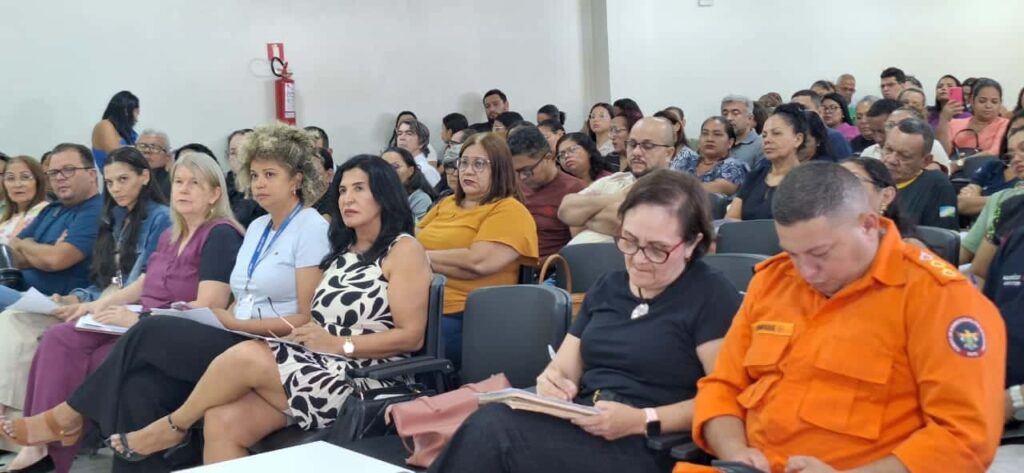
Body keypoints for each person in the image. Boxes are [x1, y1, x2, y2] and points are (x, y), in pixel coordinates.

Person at [2, 155, 422, 470]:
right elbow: (308, 315)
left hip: (364, 376)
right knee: (215, 417)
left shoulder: (403, 250)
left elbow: (411, 336)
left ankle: (164, 426)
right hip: (311, 360)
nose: (347, 198)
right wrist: (307, 336)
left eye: (359, 189)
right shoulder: (343, 250)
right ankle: (100, 424)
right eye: (343, 190)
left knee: (225, 348)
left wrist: (337, 344)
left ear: (385, 193)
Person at [676, 161, 1005, 473]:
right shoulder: (774, 281)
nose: (806, 271)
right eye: (792, 254)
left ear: (868, 225)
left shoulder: (941, 298)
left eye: (820, 253)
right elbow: (722, 386)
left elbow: (965, 437)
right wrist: (736, 453)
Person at [430, 170, 740, 473]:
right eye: (629, 240)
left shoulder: (710, 295)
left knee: (495, 431)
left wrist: (642, 419)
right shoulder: (609, 288)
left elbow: (723, 399)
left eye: (657, 249)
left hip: (650, 442)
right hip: (587, 422)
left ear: (692, 243)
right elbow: (563, 368)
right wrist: (552, 383)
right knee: (492, 421)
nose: (639, 258)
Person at [1, 148, 180, 473]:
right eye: (110, 182)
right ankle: (38, 446)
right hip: (108, 303)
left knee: (67, 341)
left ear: (144, 176)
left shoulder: (160, 218)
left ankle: (51, 447)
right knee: (57, 338)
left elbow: (146, 282)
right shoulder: (117, 218)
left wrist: (93, 303)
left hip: (137, 310)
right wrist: (78, 298)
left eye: (123, 179)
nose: (116, 188)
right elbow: (106, 279)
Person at [417, 132, 538, 368]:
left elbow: (477, 263)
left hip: (468, 315)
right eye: (463, 163)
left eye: (479, 164)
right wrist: (416, 258)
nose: (468, 171)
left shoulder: (509, 210)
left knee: (399, 336)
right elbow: (409, 243)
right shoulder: (446, 203)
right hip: (418, 302)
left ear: (500, 169)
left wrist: (419, 259)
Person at [0, 144, 103, 308]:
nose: (59, 178)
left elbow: (55, 260)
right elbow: (12, 253)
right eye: (53, 172)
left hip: (57, 302)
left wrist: (27, 245)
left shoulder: (96, 210)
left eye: (68, 170)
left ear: (91, 174)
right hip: (20, 291)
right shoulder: (52, 209)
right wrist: (45, 252)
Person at [559, 117, 677, 245]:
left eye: (647, 146)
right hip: (576, 255)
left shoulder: (675, 190)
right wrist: (617, 197)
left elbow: (623, 224)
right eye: (632, 144)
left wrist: (584, 217)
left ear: (669, 153)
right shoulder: (616, 179)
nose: (636, 152)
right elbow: (566, 210)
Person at [508, 125, 585, 260]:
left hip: (551, 267)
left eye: (527, 170)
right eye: (516, 171)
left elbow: (579, 250)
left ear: (548, 157)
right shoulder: (514, 186)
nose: (522, 177)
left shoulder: (575, 191)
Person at [727, 104, 806, 221]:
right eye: (764, 135)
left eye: (776, 133)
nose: (767, 140)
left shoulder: (808, 181)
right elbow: (731, 218)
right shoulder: (754, 176)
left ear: (798, 139)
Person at [960, 126, 1024, 264]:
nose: (1016, 159)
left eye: (1023, 149)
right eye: (1011, 155)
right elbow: (966, 255)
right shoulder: (999, 199)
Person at [882, 118, 958, 229]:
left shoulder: (939, 186)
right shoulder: (870, 178)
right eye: (888, 150)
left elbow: (947, 231)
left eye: (904, 156)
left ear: (926, 161)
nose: (891, 160)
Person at [841, 157, 925, 246]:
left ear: (886, 196)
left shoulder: (908, 247)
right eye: (835, 180)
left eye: (854, 179)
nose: (840, 187)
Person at [958, 112, 1024, 217]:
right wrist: (1007, 200)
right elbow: (963, 204)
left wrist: (977, 200)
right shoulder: (993, 166)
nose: (1018, 135)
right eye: (1014, 130)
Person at [671, 117, 747, 196]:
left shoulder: (734, 166)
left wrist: (677, 189)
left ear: (730, 142)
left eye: (717, 134)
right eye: (705, 133)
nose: (709, 139)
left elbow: (720, 187)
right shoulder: (687, 159)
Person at [938, 77, 1011, 159]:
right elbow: (943, 153)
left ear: (1000, 103)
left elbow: (995, 152)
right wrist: (943, 120)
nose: (988, 106)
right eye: (982, 101)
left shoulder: (1006, 124)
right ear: (972, 101)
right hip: (952, 165)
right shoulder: (954, 123)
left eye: (994, 102)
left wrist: (960, 163)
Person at [790, 90, 853, 160]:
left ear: (820, 111)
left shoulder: (833, 137)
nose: (797, 113)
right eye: (793, 109)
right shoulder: (789, 138)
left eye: (803, 108)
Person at [0, 157, 49, 245]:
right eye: (10, 178)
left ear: (38, 181)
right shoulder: (4, 217)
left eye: (25, 177)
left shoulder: (47, 212)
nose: (17, 184)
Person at [381, 147, 436, 220]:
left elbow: (422, 226)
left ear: (411, 170)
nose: (389, 171)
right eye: (384, 167)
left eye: (395, 166)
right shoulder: (376, 194)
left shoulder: (419, 199)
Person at [224, 128, 265, 228]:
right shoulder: (220, 188)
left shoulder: (265, 186)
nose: (239, 157)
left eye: (244, 151)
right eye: (233, 153)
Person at [91, 91, 139, 169]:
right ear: (126, 111)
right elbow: (117, 155)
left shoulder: (129, 133)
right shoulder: (104, 125)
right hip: (116, 174)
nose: (137, 119)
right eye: (136, 112)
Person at [395, 118, 442, 187]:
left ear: (421, 142)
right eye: (399, 134)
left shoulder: (426, 171)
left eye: (409, 134)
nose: (402, 138)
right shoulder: (397, 168)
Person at [721, 95, 764, 169]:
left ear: (749, 118)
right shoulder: (718, 143)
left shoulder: (761, 145)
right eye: (725, 114)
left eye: (735, 113)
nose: (728, 118)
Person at [135, 129, 173, 198]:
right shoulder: (126, 178)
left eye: (155, 148)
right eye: (142, 146)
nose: (147, 150)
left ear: (168, 157)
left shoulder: (171, 183)